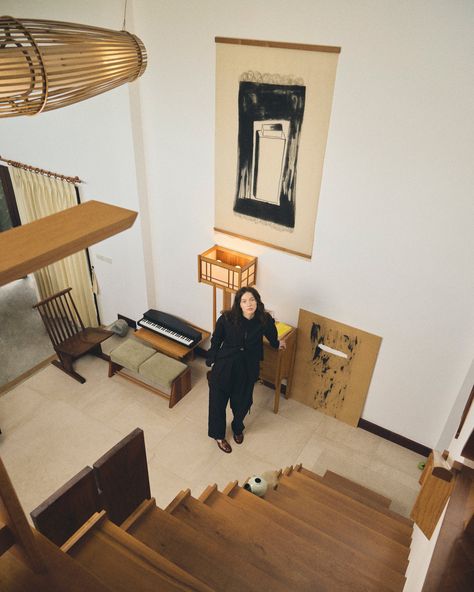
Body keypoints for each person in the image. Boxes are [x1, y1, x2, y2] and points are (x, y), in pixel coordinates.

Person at [206, 287, 286, 453]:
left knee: (242, 403)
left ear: (257, 301)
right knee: (217, 403)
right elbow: (217, 339)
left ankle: (237, 427)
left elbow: (272, 335)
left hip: (247, 368)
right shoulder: (227, 318)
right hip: (225, 365)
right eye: (244, 301)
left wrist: (277, 343)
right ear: (239, 304)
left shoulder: (263, 319)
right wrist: (211, 359)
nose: (249, 304)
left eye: (252, 300)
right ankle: (219, 436)